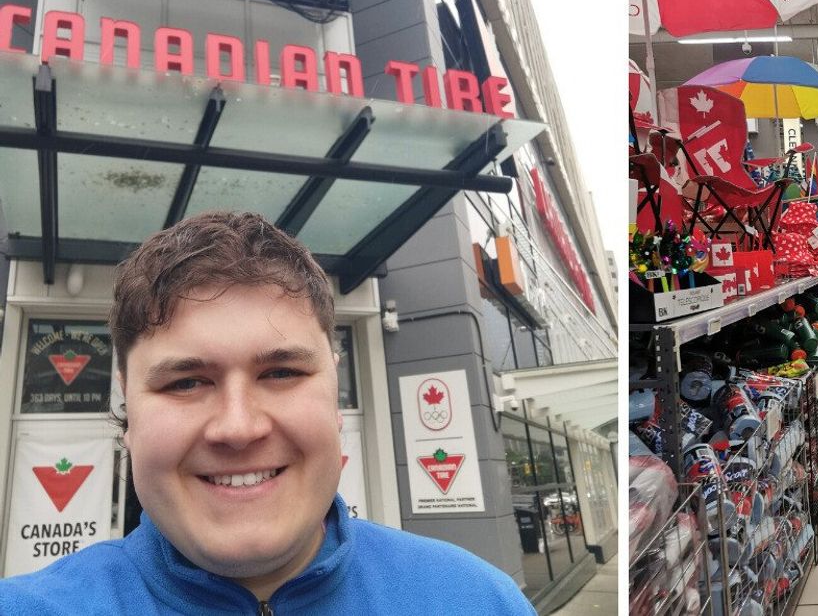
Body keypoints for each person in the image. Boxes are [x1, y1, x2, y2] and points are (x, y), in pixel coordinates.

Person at [0, 211, 535, 614]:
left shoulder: (479, 602)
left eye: (281, 373)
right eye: (186, 382)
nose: (238, 427)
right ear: (127, 408)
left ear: (333, 386)